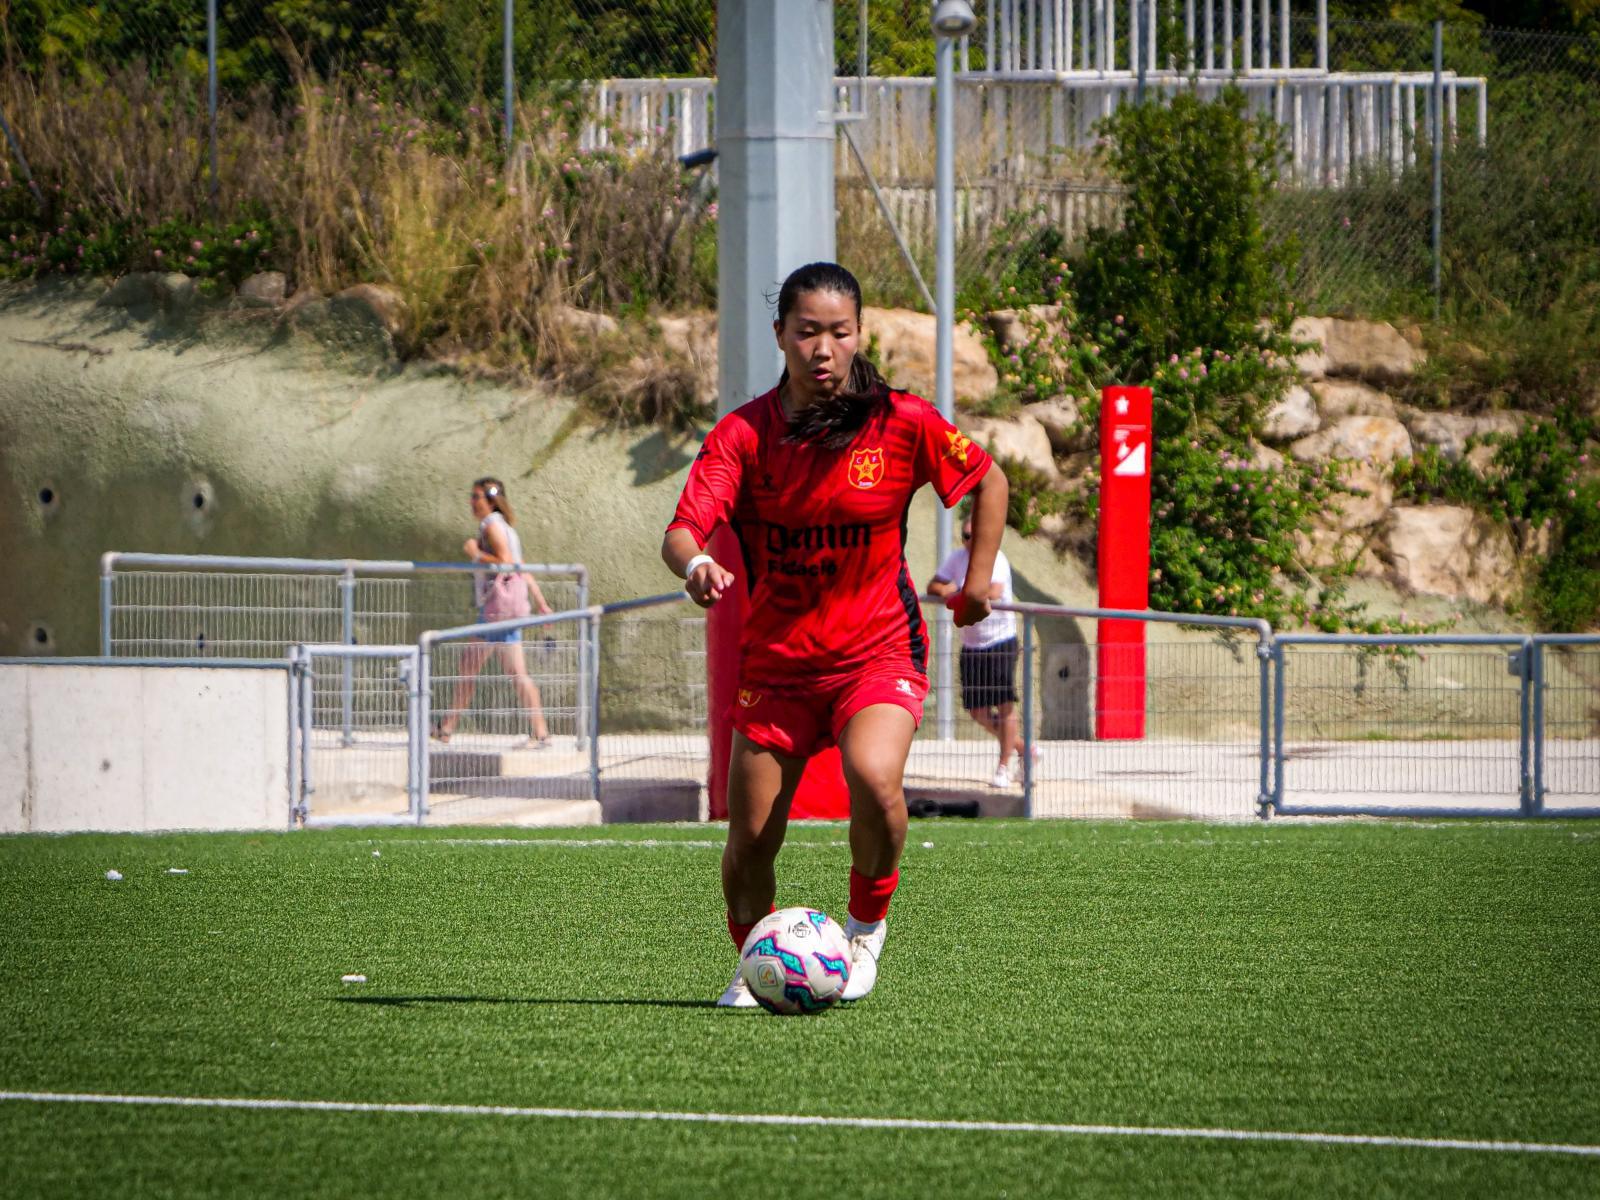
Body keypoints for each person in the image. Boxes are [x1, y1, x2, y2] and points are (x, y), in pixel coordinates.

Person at [661, 261, 1008, 1007]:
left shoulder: (903, 421)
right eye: (807, 331)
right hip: (778, 664)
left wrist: (977, 581)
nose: (824, 348)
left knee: (875, 779)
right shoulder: (744, 434)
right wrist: (695, 566)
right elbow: (683, 529)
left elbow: (988, 478)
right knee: (750, 840)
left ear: (859, 335)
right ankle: (754, 962)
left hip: (876, 651)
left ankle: (863, 933)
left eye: (840, 332)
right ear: (780, 334)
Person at [433, 477, 555, 749]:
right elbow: (521, 567)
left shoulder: (491, 526)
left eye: (476, 497)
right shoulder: (506, 528)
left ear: (491, 501)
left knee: (491, 670)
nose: (471, 502)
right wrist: (541, 602)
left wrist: (475, 553)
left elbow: (506, 563)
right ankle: (447, 728)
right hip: (502, 611)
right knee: (478, 667)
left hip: (497, 612)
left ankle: (540, 733)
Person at [927, 510, 1024, 789]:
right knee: (977, 710)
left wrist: (959, 592)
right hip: (972, 642)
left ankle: (1003, 766)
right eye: (965, 536)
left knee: (1004, 705)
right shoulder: (957, 558)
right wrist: (948, 591)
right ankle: (1022, 748)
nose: (969, 541)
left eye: (974, 535)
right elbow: (934, 585)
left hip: (1000, 639)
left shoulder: (996, 558)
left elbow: (994, 592)